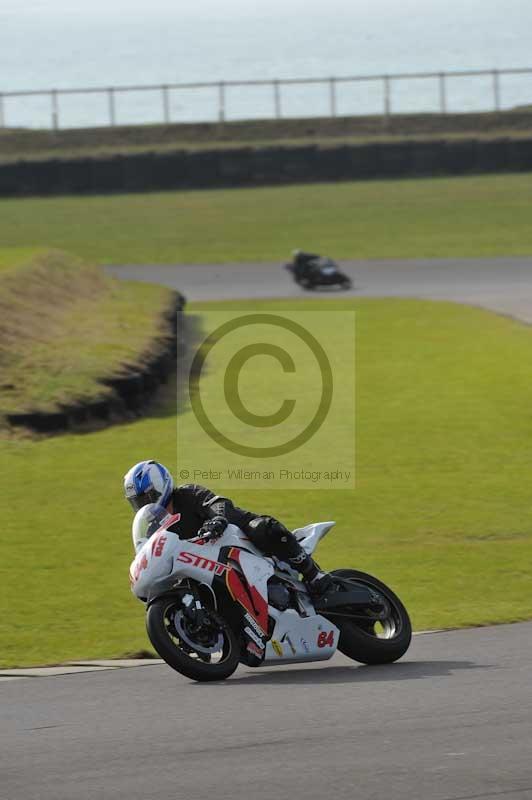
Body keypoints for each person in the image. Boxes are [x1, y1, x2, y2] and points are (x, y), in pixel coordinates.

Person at [124, 459, 333, 596]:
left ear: (161, 486)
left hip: (233, 539)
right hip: (203, 568)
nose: (143, 505)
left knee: (264, 528)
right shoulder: (153, 528)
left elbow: (217, 503)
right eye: (137, 502)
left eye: (147, 497)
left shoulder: (187, 494)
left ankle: (314, 574)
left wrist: (217, 519)